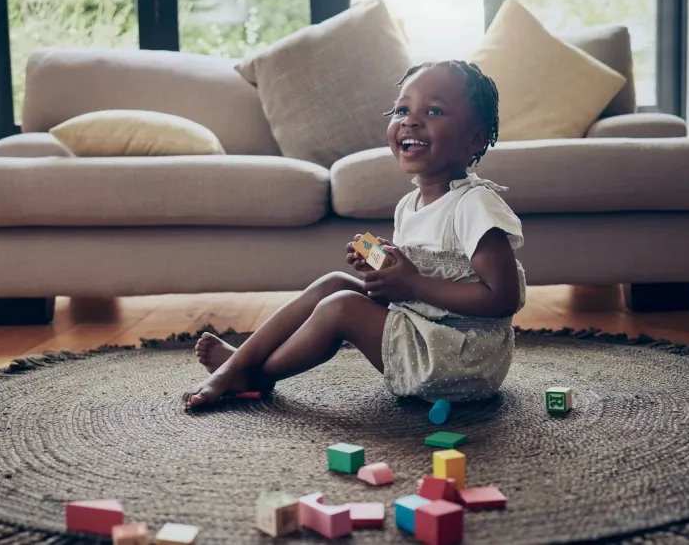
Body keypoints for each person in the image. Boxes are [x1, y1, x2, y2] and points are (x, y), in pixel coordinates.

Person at [182, 60, 526, 409]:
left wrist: (412, 284)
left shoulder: (475, 204)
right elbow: (418, 278)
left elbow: (502, 298)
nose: (410, 120)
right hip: (426, 330)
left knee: (342, 308)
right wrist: (383, 266)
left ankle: (251, 374)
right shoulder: (409, 204)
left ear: (475, 138)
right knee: (335, 283)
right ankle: (242, 361)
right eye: (402, 109)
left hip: (461, 358)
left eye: (434, 110)